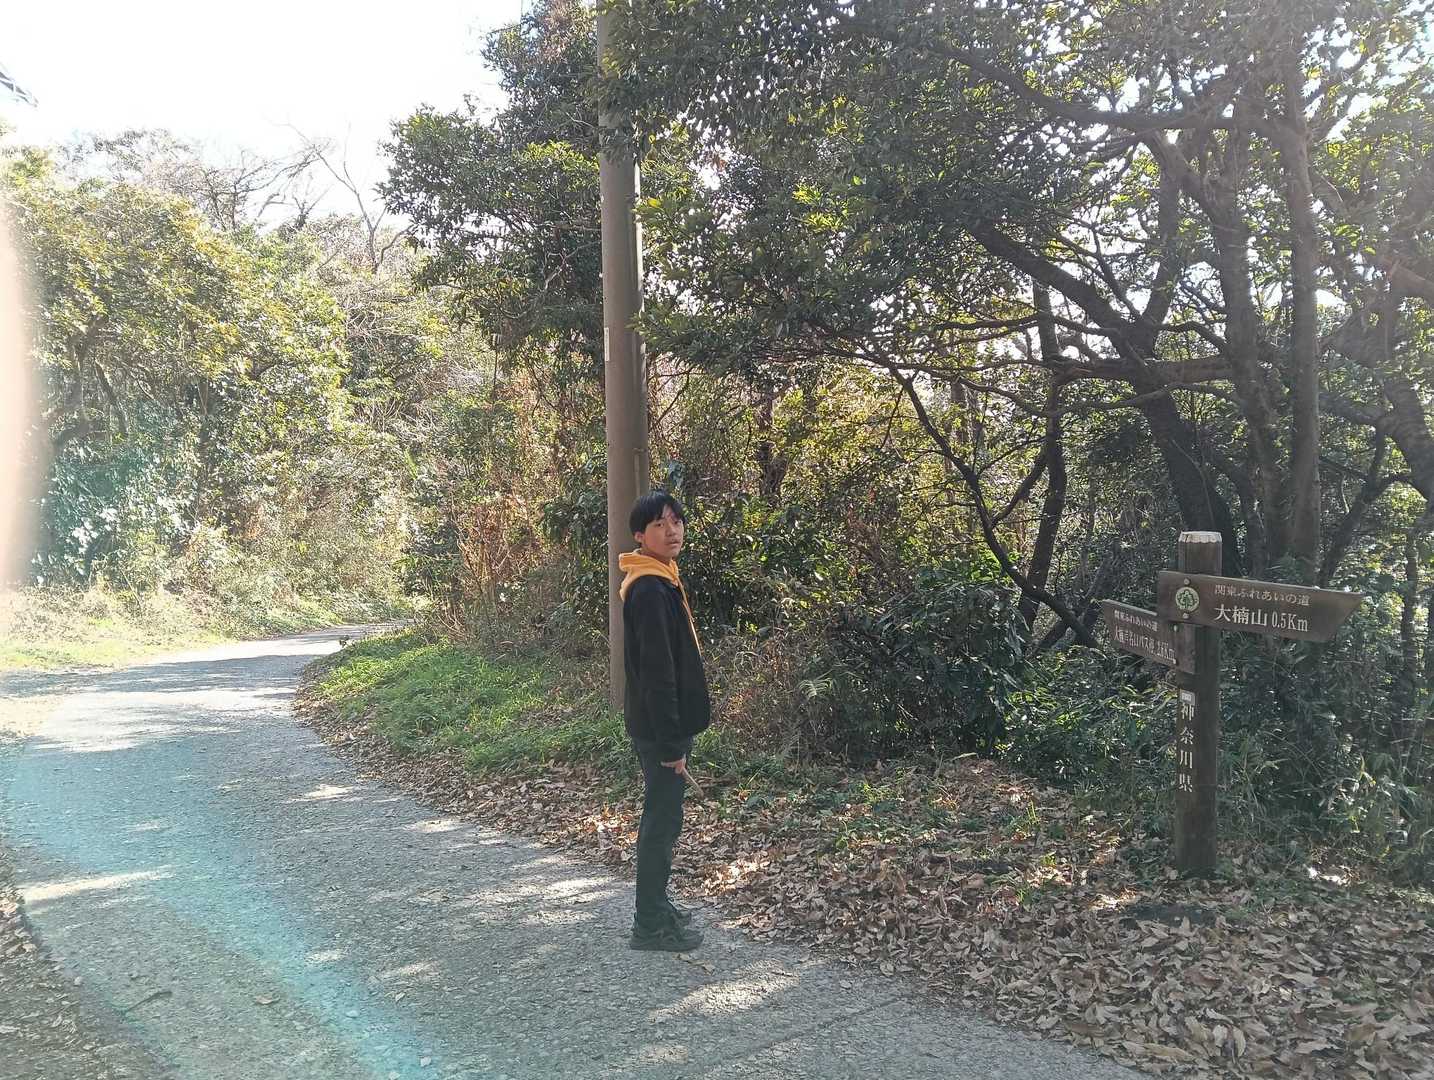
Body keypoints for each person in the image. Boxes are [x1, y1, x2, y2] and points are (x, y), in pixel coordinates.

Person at [618, 491, 711, 951]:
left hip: (662, 728)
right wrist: (672, 745)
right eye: (659, 524)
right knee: (661, 822)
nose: (672, 530)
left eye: (676, 521)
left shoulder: (660, 578)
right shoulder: (650, 589)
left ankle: (657, 906)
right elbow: (657, 674)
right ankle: (649, 923)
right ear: (640, 535)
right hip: (661, 734)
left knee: (665, 819)